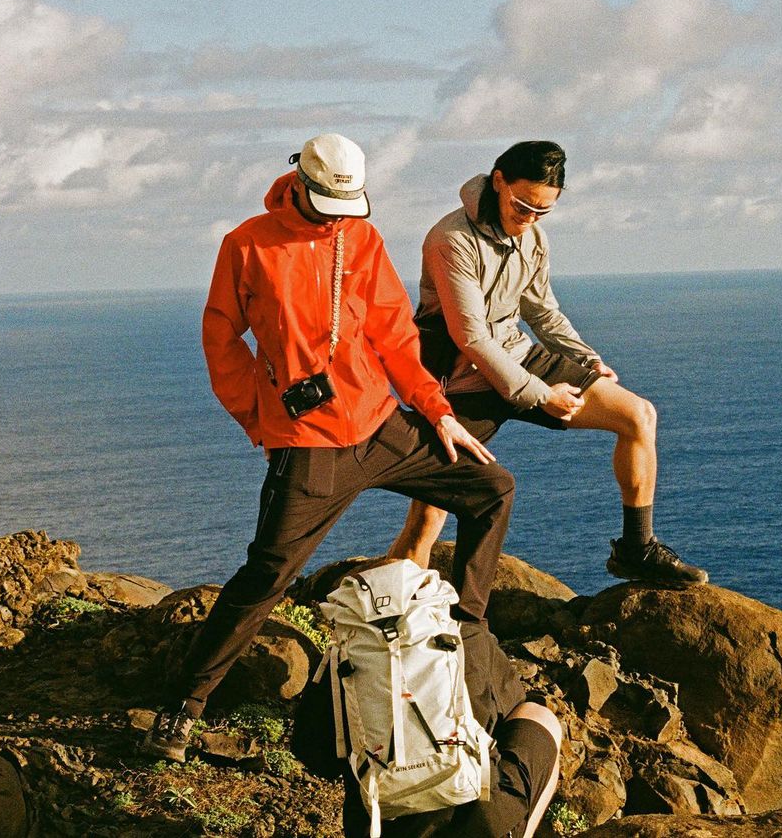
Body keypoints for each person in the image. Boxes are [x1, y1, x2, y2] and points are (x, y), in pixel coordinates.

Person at [144, 133, 516, 763]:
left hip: (380, 426)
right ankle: (182, 707)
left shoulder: (361, 238)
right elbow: (221, 339)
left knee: (492, 490)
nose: (335, 217)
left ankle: (468, 633)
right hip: (307, 443)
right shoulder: (247, 244)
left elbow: (395, 337)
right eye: (326, 204)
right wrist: (258, 421)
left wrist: (437, 412)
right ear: (299, 182)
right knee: (267, 574)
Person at [389, 140, 707, 588]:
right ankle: (395, 609)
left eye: (543, 210)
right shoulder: (451, 239)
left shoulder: (533, 237)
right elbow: (471, 337)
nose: (530, 218)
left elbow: (542, 312)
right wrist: (541, 396)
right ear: (498, 181)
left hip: (517, 354)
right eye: (523, 205)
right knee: (428, 515)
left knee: (639, 415)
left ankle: (636, 549)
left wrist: (587, 359)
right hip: (461, 378)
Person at [292, 562, 562, 838]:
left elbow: (312, 753)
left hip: (377, 825)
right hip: (474, 819)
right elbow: (514, 705)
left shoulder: (343, 657)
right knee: (539, 716)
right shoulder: (467, 637)